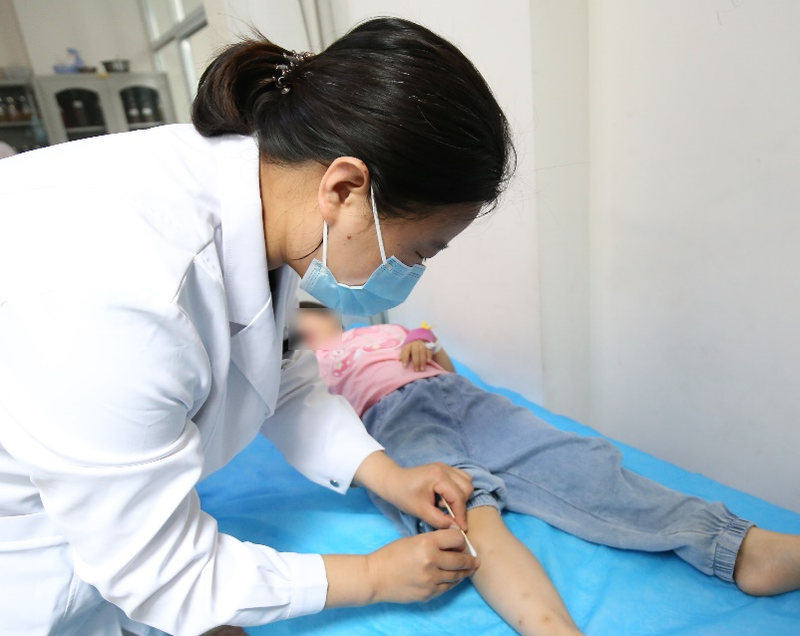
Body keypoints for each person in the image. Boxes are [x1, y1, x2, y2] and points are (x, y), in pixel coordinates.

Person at [0, 17, 516, 636]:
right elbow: (162, 574)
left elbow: (283, 377)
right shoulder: (127, 286)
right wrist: (371, 576)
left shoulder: (271, 204)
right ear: (345, 189)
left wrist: (389, 476)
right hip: (28, 556)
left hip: (99, 515)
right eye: (419, 250)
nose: (411, 271)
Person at [297, 304, 800, 636]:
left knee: (579, 462)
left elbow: (443, 362)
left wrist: (425, 345)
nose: (298, 331)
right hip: (392, 418)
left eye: (304, 320)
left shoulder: (387, 329)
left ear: (329, 315)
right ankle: (551, 627)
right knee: (460, 509)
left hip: (461, 395)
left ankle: (739, 547)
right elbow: (321, 430)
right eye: (291, 333)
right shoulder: (305, 368)